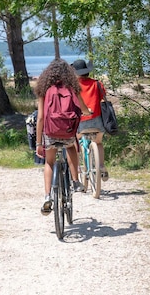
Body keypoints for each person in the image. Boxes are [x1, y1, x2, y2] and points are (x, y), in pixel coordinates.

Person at [35, 58, 92, 216]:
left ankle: (47, 196)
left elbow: (40, 118)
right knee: (71, 147)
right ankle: (75, 181)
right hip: (67, 132)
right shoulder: (72, 87)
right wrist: (88, 112)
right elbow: (82, 108)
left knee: (49, 161)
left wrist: (39, 142)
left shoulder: (44, 89)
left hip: (50, 132)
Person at [72, 59, 109, 181]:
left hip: (81, 122)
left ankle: (77, 168)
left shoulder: (73, 87)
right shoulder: (97, 84)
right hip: (97, 120)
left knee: (74, 143)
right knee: (98, 142)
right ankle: (101, 166)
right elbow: (103, 98)